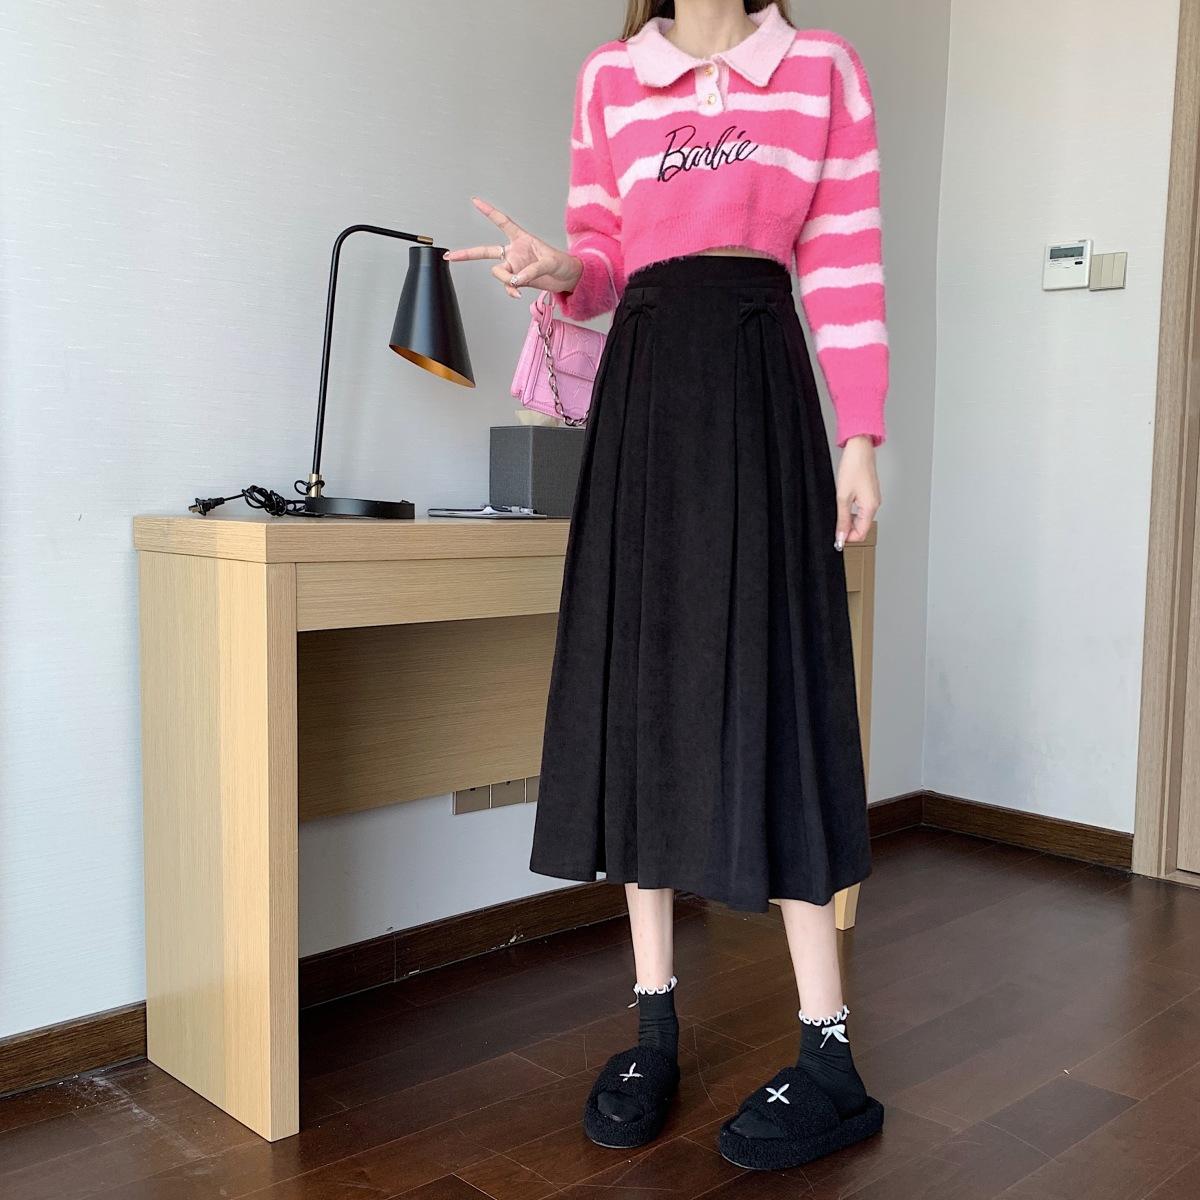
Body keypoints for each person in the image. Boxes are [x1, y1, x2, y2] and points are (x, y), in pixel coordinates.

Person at [443, 0, 887, 1171]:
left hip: (759, 383)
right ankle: (653, 1028)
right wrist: (562, 270)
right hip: (643, 393)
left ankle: (830, 1056)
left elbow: (844, 261)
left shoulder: (821, 69)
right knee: (644, 689)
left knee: (778, 687)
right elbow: (603, 253)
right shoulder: (609, 77)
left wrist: (859, 437)